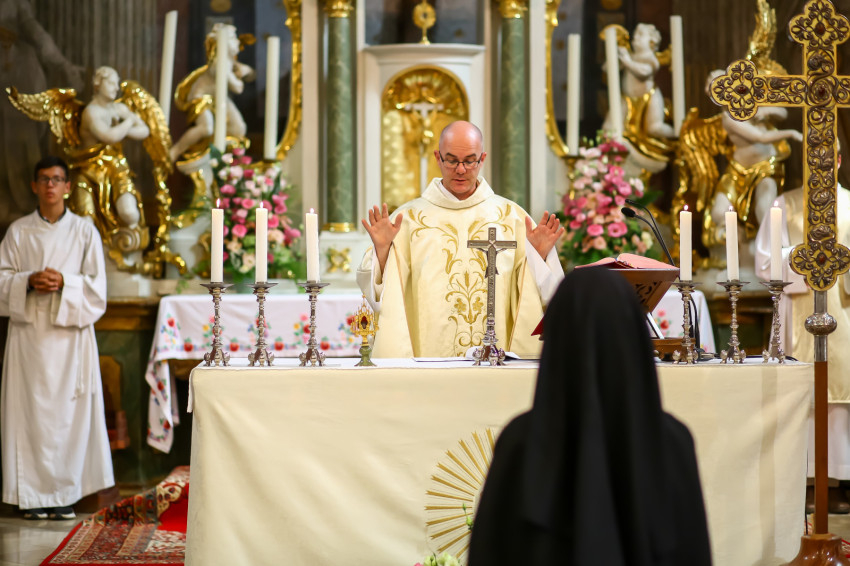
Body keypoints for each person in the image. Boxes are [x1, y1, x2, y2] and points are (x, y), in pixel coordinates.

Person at [468, 268, 712, 565]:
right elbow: (694, 553)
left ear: (557, 337)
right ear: (634, 335)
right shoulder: (672, 442)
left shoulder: (520, 441)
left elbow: (487, 553)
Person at [357, 120, 565, 358]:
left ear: (482, 159)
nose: (461, 169)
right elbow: (381, 295)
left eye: (469, 160)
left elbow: (545, 296)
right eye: (452, 160)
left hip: (495, 365)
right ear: (438, 158)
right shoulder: (408, 220)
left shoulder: (512, 218)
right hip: (430, 361)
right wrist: (382, 251)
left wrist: (538, 258)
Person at [0, 156, 113, 520]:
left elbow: (98, 290)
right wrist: (28, 281)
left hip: (70, 341)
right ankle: (32, 498)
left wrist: (65, 282)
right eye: (44, 179)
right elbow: (1, 279)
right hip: (29, 338)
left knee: (68, 416)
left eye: (57, 179)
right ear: (35, 186)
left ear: (67, 187)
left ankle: (64, 495)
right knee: (29, 415)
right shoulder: (18, 231)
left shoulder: (85, 231)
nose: (50, 185)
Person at [755, 167, 850, 513]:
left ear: (837, 159)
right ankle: (807, 480)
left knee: (840, 397)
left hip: (844, 312)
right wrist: (803, 261)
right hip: (797, 309)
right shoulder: (785, 204)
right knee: (800, 395)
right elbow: (765, 261)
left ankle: (839, 480)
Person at [169, 23, 254, 163]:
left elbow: (250, 75)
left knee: (239, 128)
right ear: (224, 43)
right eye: (233, 38)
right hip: (200, 98)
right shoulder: (218, 63)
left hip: (218, 98)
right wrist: (242, 72)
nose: (237, 42)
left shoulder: (229, 61)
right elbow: (238, 88)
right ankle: (176, 150)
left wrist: (245, 70)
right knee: (206, 128)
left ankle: (225, 158)